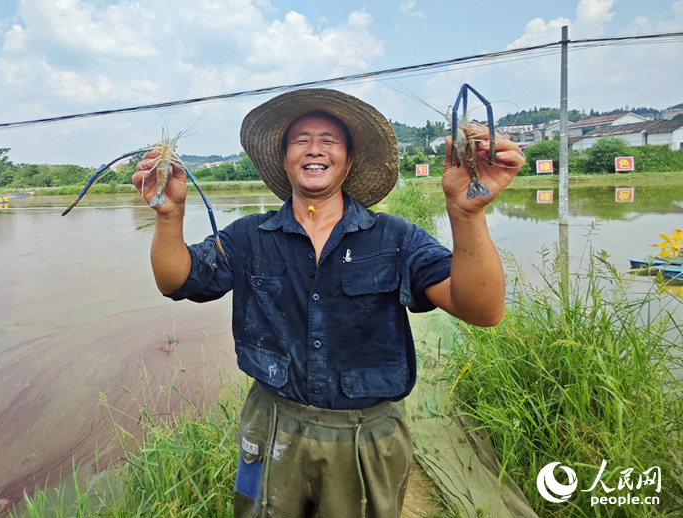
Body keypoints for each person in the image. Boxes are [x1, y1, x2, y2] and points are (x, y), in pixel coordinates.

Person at [132, 88, 525, 518]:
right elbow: (176, 280)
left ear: (349, 160)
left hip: (367, 437)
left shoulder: (395, 238)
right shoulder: (248, 237)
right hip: (271, 424)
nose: (314, 149)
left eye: (329, 140)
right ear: (284, 159)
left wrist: (466, 213)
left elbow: (482, 310)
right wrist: (168, 215)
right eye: (300, 139)